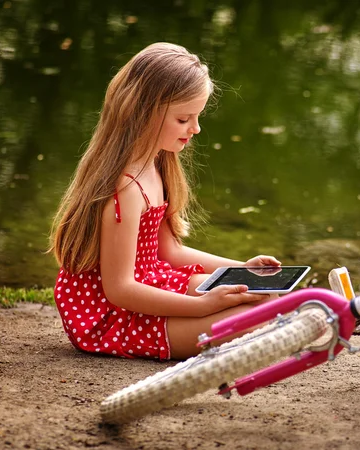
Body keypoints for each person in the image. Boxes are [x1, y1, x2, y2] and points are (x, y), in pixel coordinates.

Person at [49, 42, 280, 361]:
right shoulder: (125, 190)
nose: (195, 129)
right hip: (114, 317)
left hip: (151, 282)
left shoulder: (157, 164)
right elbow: (120, 290)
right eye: (184, 119)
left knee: (262, 296)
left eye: (196, 117)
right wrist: (203, 306)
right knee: (266, 313)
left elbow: (169, 252)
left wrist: (242, 269)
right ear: (145, 112)